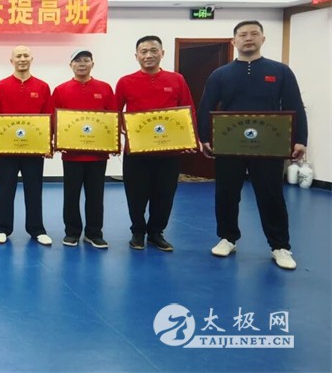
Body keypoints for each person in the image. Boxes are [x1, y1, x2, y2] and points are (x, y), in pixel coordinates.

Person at [198, 20, 308, 270]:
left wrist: (300, 139)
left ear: (263, 39)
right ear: (234, 41)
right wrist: (205, 137)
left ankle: (280, 246)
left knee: (271, 194)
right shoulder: (220, 75)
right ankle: (227, 238)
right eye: (243, 34)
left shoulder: (280, 71)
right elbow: (206, 107)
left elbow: (294, 105)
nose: (248, 38)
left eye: (254, 34)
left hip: (268, 146)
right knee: (226, 193)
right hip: (229, 145)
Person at [115, 35, 196, 252]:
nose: (148, 55)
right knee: (135, 193)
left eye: (153, 50)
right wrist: (121, 128)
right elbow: (114, 112)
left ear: (162, 53)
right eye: (143, 51)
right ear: (136, 56)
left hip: (169, 151)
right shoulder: (125, 82)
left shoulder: (177, 79)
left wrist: (191, 138)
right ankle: (137, 232)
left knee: (165, 194)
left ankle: (156, 232)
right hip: (136, 151)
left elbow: (188, 109)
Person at [50, 50, 116, 248]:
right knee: (71, 195)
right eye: (77, 60)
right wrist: (54, 141)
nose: (82, 64)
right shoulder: (61, 90)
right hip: (71, 155)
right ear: (71, 65)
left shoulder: (104, 88)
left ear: (92, 64)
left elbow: (113, 118)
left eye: (86, 60)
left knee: (96, 195)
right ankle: (72, 232)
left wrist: (113, 143)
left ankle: (94, 233)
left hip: (98, 155)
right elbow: (53, 120)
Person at [0, 45, 53, 245]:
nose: (22, 59)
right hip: (7, 150)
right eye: (18, 56)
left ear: (31, 59)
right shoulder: (1, 86)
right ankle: (1, 228)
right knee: (5, 189)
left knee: (34, 189)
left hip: (34, 150)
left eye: (26, 55)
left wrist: (48, 145)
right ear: (12, 61)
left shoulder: (42, 87)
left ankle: (37, 229)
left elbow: (48, 117)